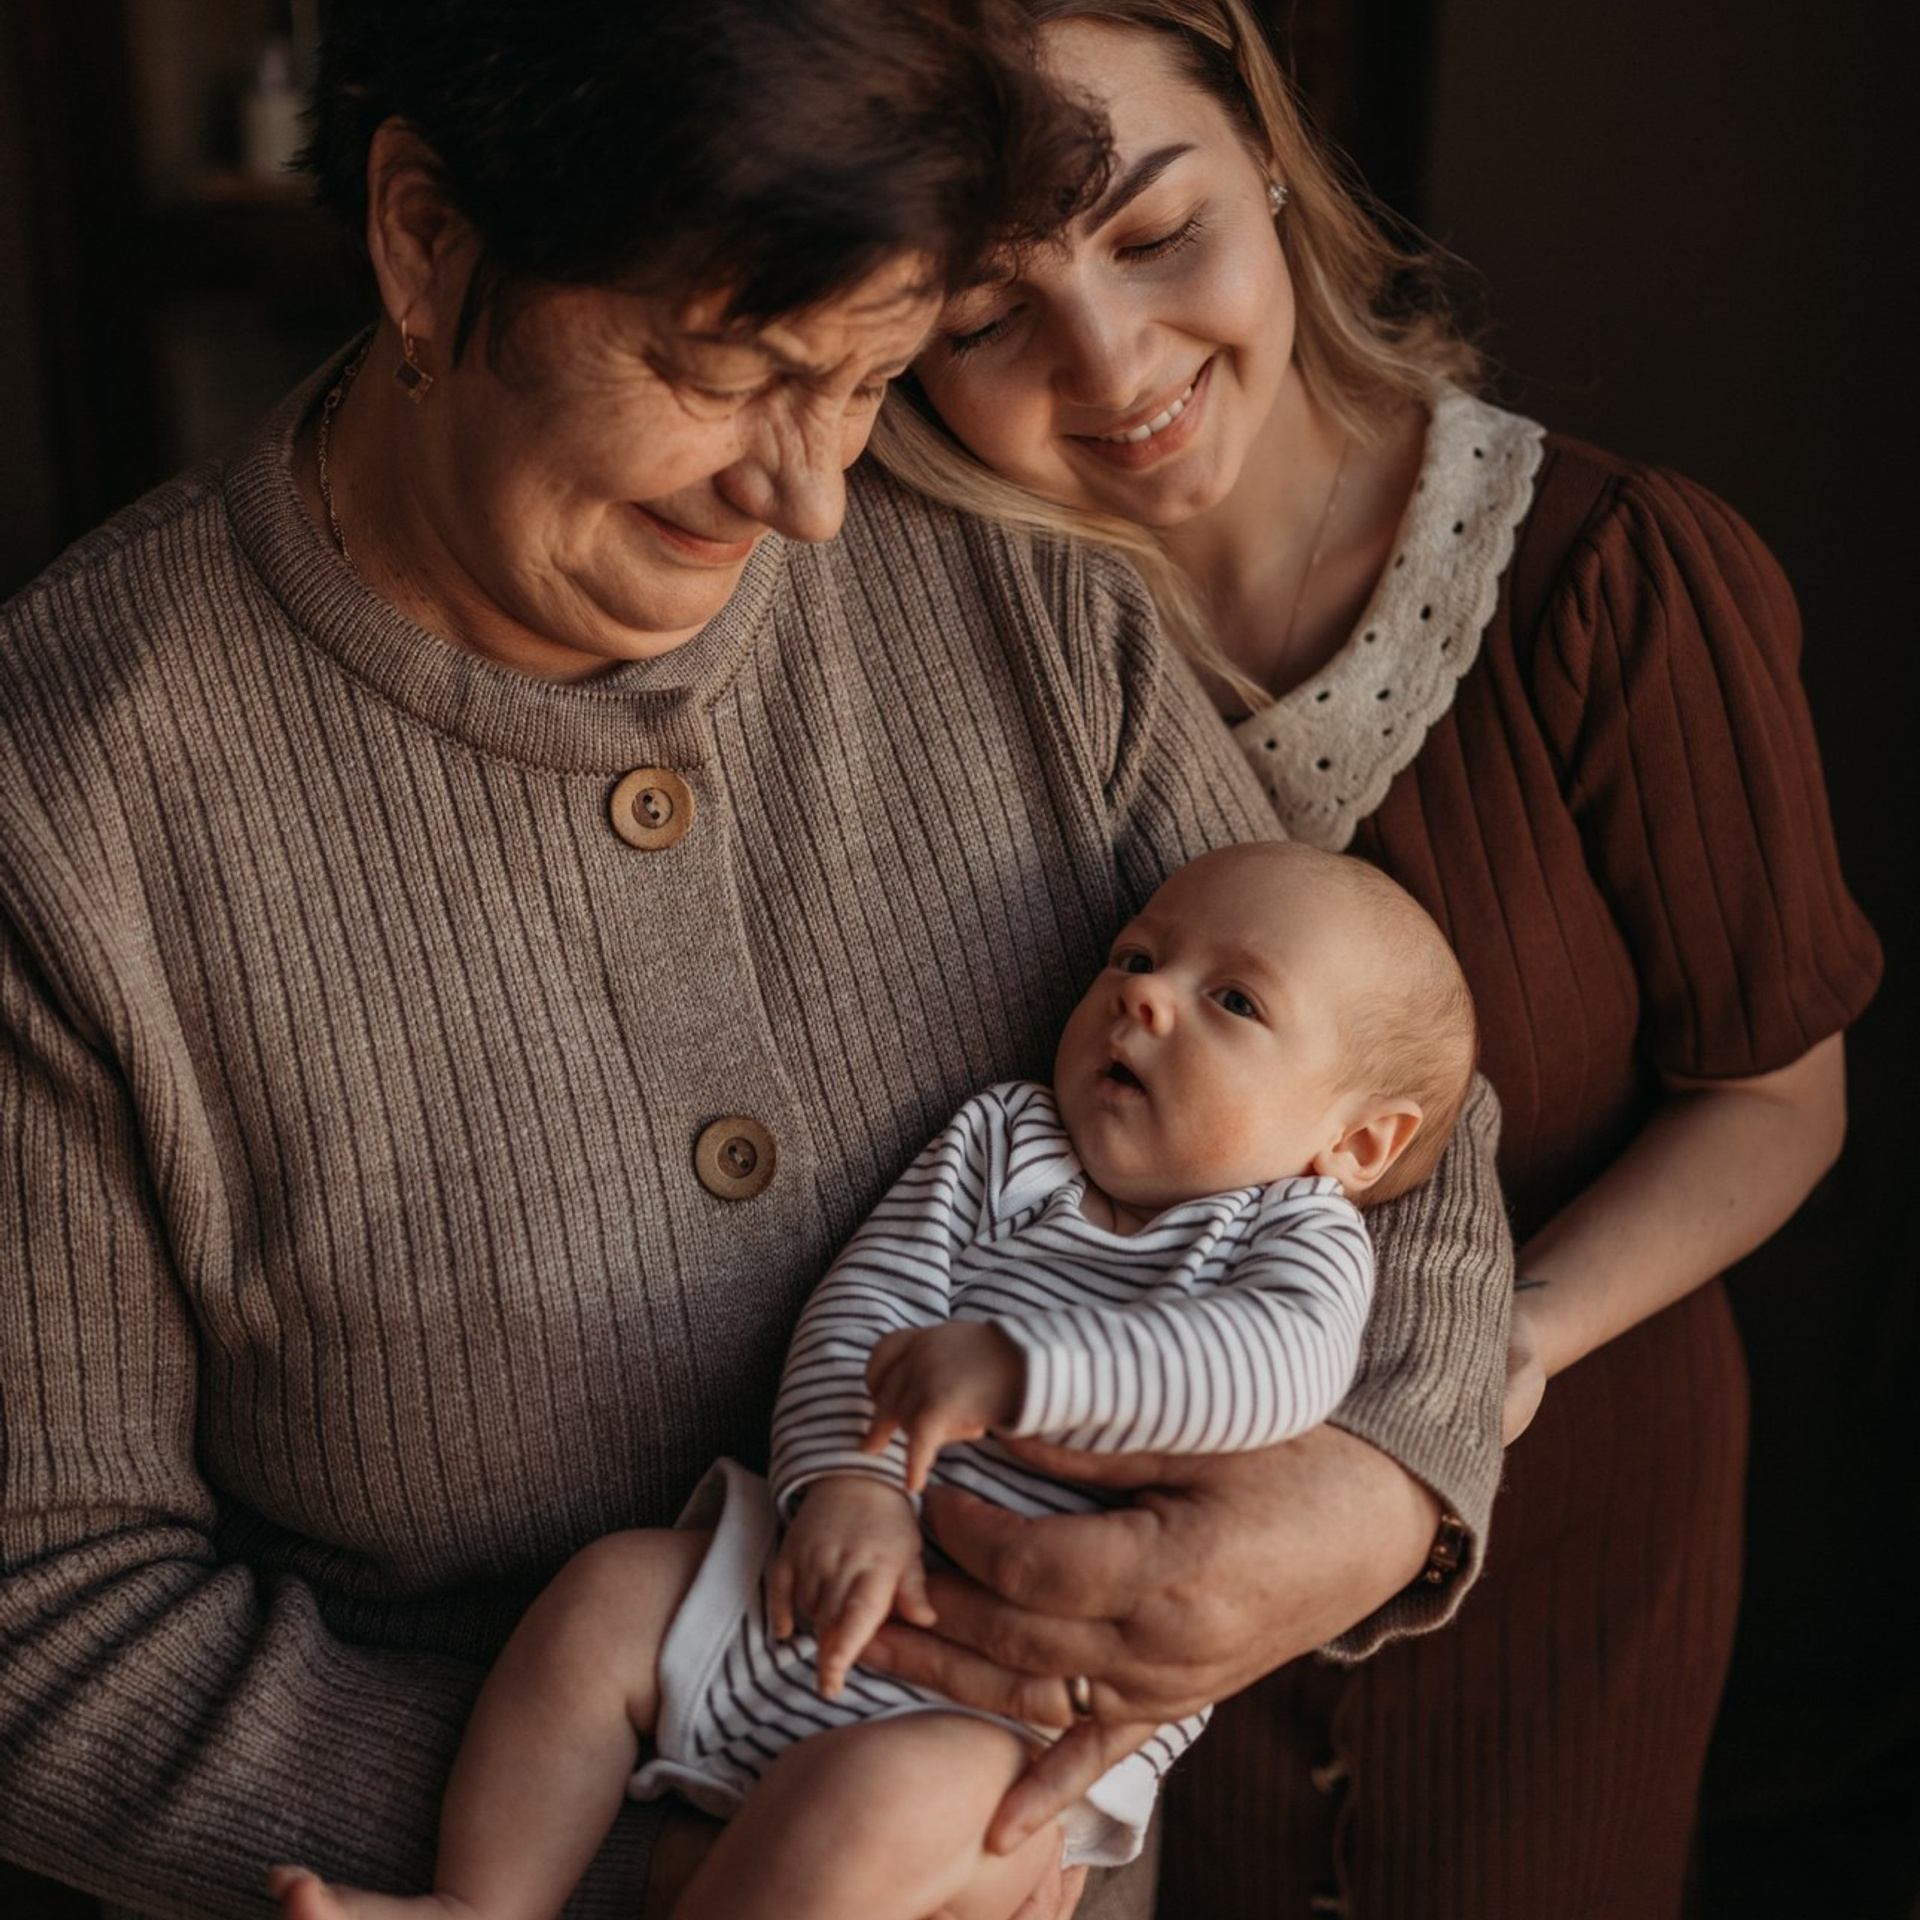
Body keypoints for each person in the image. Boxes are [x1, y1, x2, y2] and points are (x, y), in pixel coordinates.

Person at [0, 5, 1516, 1920]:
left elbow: (1386, 1105)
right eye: (730, 371)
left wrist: (1378, 1477)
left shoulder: (1022, 600)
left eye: (872, 376)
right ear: (422, 237)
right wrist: (727, 1853)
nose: (807, 498)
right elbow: (45, 1622)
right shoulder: (60, 812)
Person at [869, 1, 1885, 1915]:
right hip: (1076, 1551)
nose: (1114, 363)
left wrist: (1477, 1369)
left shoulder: (1613, 579)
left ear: (1265, 146)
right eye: (989, 317)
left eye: (1157, 231)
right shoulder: (937, 654)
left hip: (1567, 1530)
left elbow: (1775, 1093)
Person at [266, 840, 1477, 1920]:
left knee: (877, 1812)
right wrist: (848, 1486)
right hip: (823, 1580)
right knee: (607, 1603)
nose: (1142, 996)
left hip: (1006, 1721)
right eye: (1135, 954)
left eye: (1232, 999)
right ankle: (477, 1901)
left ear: (1355, 1141)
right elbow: (871, 1302)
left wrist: (1023, 1369)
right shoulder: (1008, 1138)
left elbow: (1268, 1374)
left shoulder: (1295, 1235)